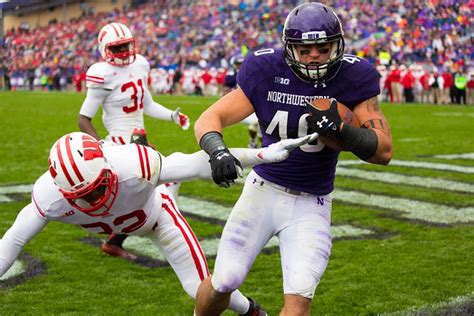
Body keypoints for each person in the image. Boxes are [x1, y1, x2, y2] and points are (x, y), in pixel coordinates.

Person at [193, 3, 393, 315]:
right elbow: (211, 116)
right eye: (306, 49)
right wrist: (217, 150)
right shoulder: (265, 69)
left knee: (299, 299)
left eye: (323, 48)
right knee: (224, 279)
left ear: (337, 45)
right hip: (263, 189)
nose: (315, 56)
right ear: (289, 49)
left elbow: (384, 151)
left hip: (312, 202)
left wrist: (341, 129)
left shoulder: (355, 76)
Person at [0, 131, 316, 315]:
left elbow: (194, 164)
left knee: (198, 288)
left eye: (99, 185)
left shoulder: (134, 164)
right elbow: (12, 241)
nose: (96, 196)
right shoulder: (48, 198)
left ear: (108, 167)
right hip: (129, 221)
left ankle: (251, 311)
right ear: (62, 190)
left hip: (158, 218)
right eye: (85, 194)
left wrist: (260, 154)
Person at [78, 22, 190, 260]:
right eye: (117, 48)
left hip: (139, 141)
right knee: (161, 184)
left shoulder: (140, 64)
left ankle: (117, 240)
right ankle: (164, 229)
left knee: (155, 187)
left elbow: (147, 104)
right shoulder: (101, 73)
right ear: (104, 49)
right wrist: (99, 146)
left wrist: (171, 115)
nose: (124, 52)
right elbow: (83, 119)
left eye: (126, 45)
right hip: (119, 144)